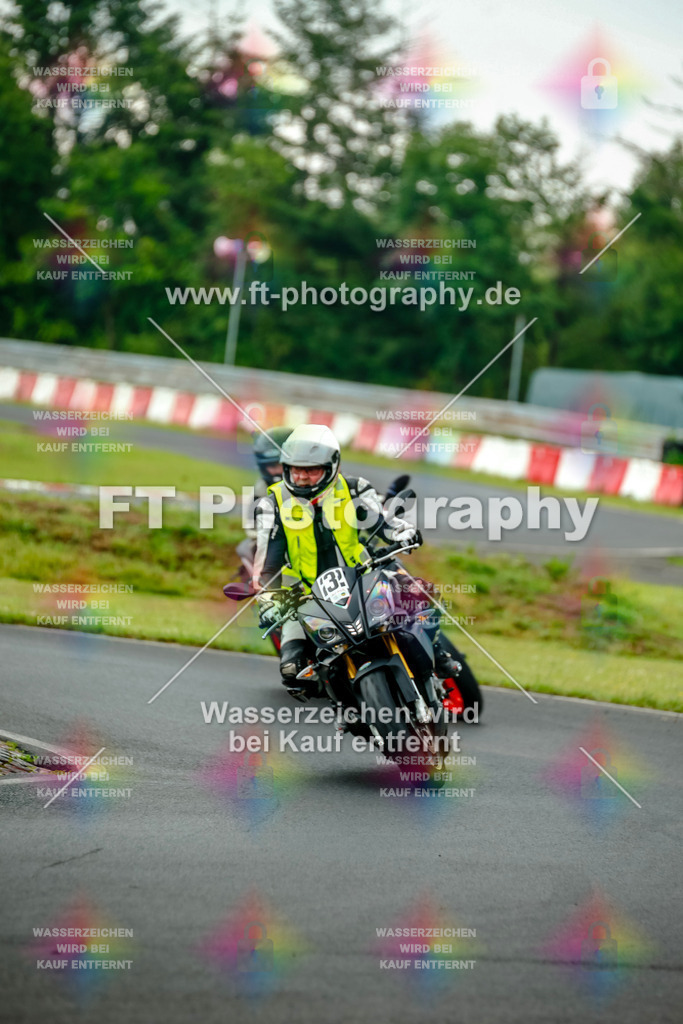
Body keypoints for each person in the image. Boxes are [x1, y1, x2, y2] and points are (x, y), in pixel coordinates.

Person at [252, 423, 462, 700]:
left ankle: (436, 653)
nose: (302, 478)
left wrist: (402, 532)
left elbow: (383, 521)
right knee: (292, 669)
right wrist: (269, 598)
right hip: (307, 593)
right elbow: (266, 561)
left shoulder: (353, 489)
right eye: (295, 469)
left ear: (331, 467)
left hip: (366, 574)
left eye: (311, 470)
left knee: (418, 595)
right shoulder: (272, 504)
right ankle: (342, 699)